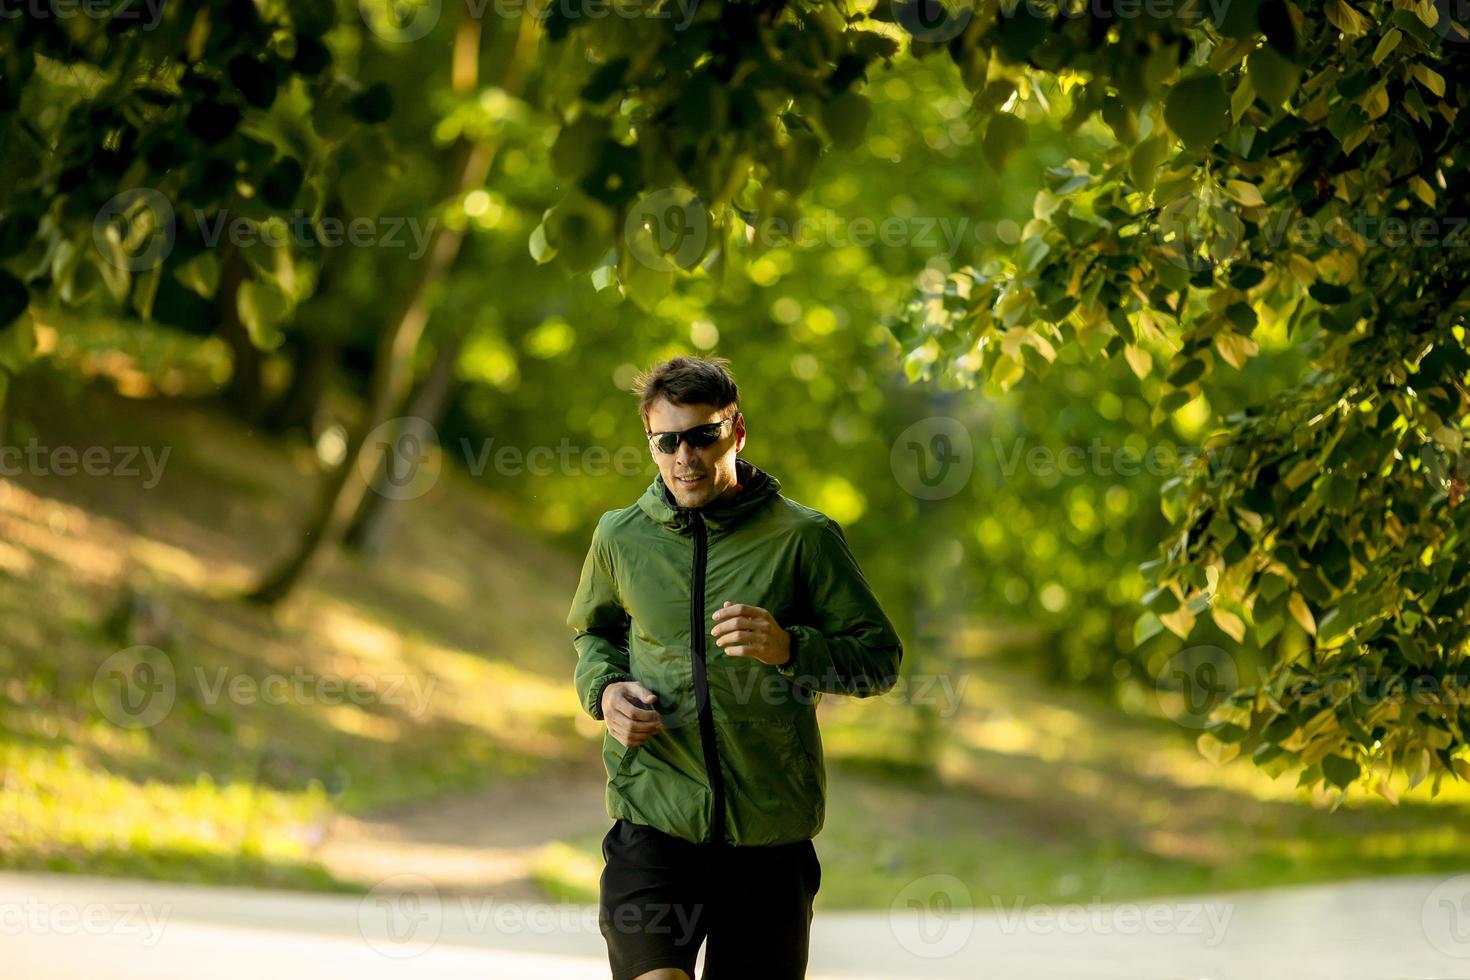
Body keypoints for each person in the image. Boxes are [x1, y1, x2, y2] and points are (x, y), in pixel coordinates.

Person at [567, 353, 904, 980]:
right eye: (666, 441)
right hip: (655, 819)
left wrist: (791, 650)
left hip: (767, 839)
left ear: (737, 431)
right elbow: (595, 632)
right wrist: (606, 689)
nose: (684, 457)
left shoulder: (803, 538)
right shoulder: (619, 537)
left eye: (702, 435)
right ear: (651, 443)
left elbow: (878, 660)